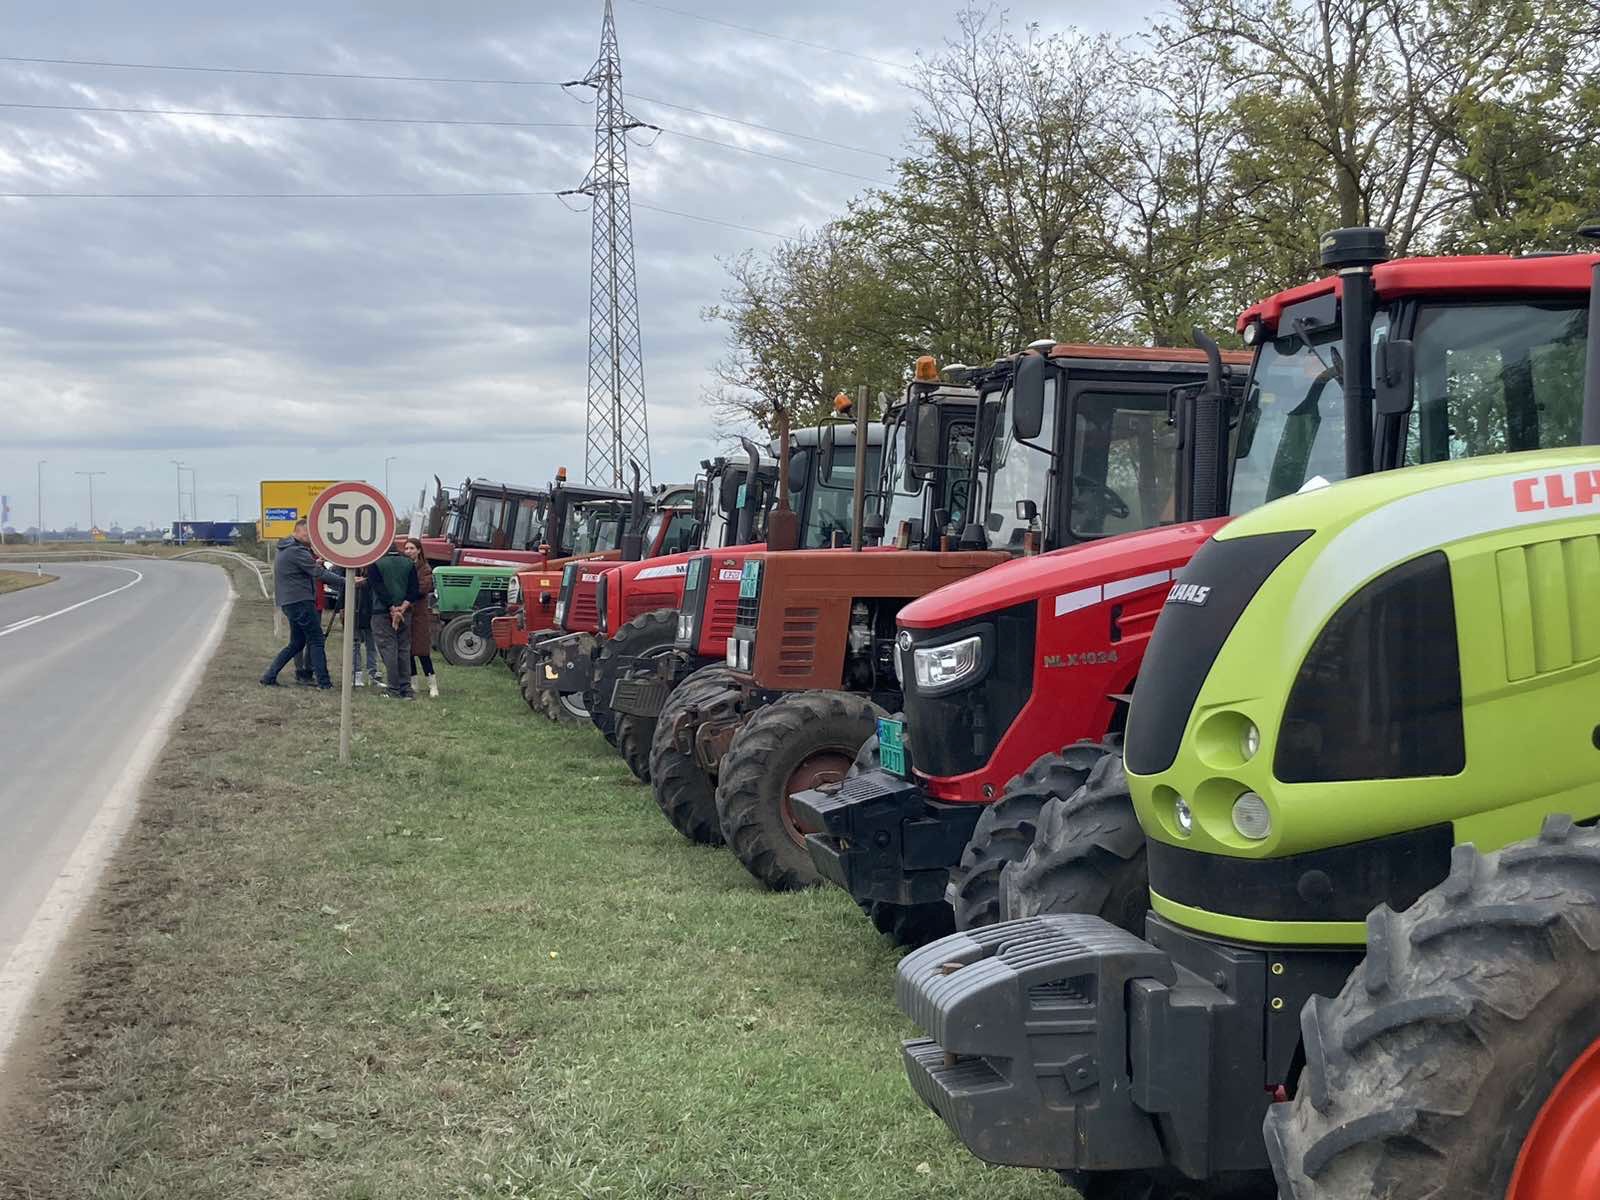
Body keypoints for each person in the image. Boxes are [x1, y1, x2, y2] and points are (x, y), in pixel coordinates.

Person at [261, 519, 345, 689]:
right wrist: (346, 581)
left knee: (297, 642)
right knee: (316, 640)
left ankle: (269, 676)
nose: (312, 539)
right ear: (299, 532)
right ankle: (324, 682)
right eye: (309, 534)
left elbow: (305, 569)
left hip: (290, 601)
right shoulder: (296, 550)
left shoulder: (286, 549)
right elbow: (318, 573)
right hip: (300, 601)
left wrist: (314, 564)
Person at [366, 541, 421, 700]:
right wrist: (402, 608)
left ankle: (393, 688)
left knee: (388, 649)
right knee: (403, 650)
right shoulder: (408, 563)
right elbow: (414, 589)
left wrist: (392, 608)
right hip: (406, 613)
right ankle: (406, 689)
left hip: (382, 613)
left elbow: (378, 587)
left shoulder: (376, 564)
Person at [402, 538, 439, 698]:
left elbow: (424, 588)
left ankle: (432, 685)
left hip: (419, 614)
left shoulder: (425, 568)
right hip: (406, 613)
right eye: (406, 548)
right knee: (408, 651)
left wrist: (408, 595)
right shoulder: (403, 566)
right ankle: (413, 684)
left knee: (423, 651)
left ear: (418, 550)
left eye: (411, 548)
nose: (408, 551)